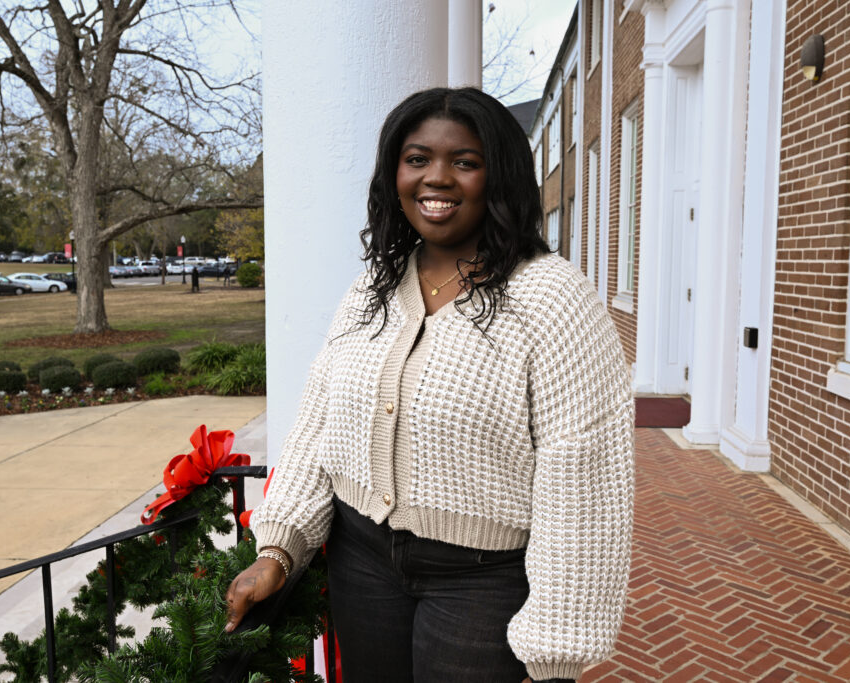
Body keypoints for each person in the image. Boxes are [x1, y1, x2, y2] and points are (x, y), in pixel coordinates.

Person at [226, 87, 635, 683]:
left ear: (500, 176)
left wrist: (555, 649)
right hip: (361, 561)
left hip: (481, 581)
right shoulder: (374, 287)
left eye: (464, 162)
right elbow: (320, 425)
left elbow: (581, 474)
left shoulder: (552, 297)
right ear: (395, 174)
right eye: (417, 159)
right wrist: (279, 547)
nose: (436, 178)